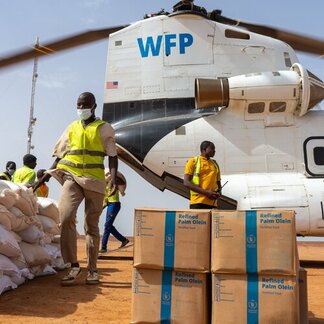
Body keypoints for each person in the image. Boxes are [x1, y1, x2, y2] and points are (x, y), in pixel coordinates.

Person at [33, 91, 118, 286]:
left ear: (94, 106)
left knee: (91, 225)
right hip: (72, 177)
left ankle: (93, 270)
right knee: (66, 217)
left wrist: (112, 178)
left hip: (95, 180)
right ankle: (73, 265)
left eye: (84, 105)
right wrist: (42, 179)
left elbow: (113, 156)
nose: (81, 109)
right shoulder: (71, 127)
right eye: (78, 105)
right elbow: (59, 157)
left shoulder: (104, 129)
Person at [183, 140, 221, 209]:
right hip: (197, 202)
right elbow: (186, 183)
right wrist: (207, 193)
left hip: (213, 203)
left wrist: (219, 193)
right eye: (212, 148)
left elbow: (218, 183)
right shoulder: (193, 161)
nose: (214, 151)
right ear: (204, 149)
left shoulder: (215, 164)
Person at [99, 170, 129, 253]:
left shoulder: (114, 181)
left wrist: (113, 176)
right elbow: (105, 199)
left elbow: (120, 183)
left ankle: (103, 247)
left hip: (115, 204)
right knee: (108, 225)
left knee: (107, 226)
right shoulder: (104, 185)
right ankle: (123, 240)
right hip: (109, 205)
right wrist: (101, 208)